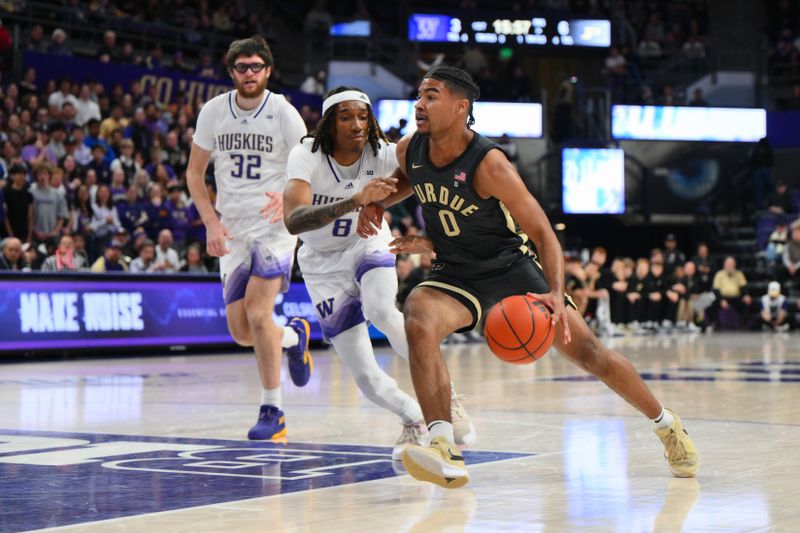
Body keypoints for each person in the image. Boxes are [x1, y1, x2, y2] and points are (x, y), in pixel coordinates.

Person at [357, 66, 698, 488]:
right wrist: (379, 205)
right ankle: (442, 443)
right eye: (420, 95)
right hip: (455, 271)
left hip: (510, 269)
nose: (419, 104)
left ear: (461, 107)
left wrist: (556, 292)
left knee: (591, 353)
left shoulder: (490, 164)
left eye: (431, 96)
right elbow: (410, 182)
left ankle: (667, 425)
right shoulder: (411, 148)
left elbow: (542, 233)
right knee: (418, 318)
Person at [281, 86, 474, 460]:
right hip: (321, 262)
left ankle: (447, 401)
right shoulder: (306, 155)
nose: (356, 124)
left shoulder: (382, 152)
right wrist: (356, 200)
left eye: (363, 116)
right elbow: (293, 221)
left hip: (365, 242)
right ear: (328, 124)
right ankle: (413, 417)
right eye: (346, 117)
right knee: (366, 378)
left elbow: (423, 168)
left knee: (383, 311)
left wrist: (384, 204)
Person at [186, 36, 312, 441]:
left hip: (274, 227)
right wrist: (210, 223)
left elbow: (311, 164)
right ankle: (294, 335)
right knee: (242, 332)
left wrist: (291, 196)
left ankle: (273, 411)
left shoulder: (284, 113)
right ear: (232, 72)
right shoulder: (213, 112)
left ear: (268, 71)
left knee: (259, 315)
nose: (249, 73)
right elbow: (194, 173)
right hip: (232, 227)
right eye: (242, 67)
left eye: (256, 66)